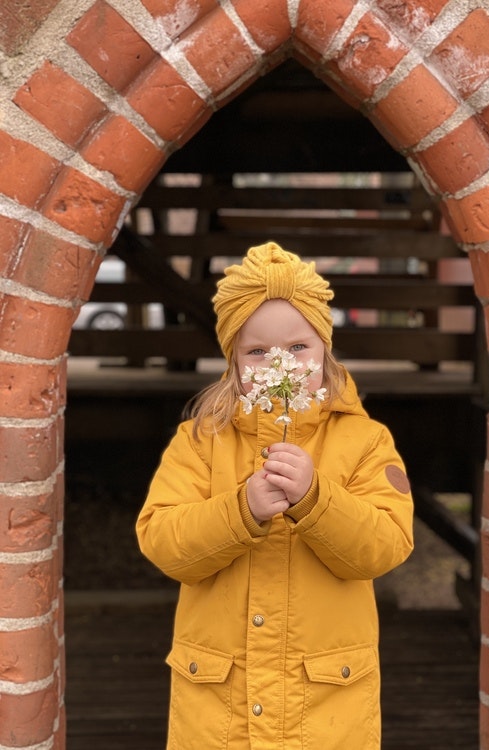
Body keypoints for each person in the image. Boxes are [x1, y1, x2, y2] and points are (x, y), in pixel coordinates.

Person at [136, 241, 414, 750]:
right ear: (234, 360)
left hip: (325, 706)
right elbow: (162, 541)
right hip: (221, 710)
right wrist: (240, 511)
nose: (280, 363)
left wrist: (315, 498)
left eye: (298, 348)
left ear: (324, 348)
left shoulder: (365, 441)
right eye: (258, 351)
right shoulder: (200, 440)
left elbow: (387, 545)